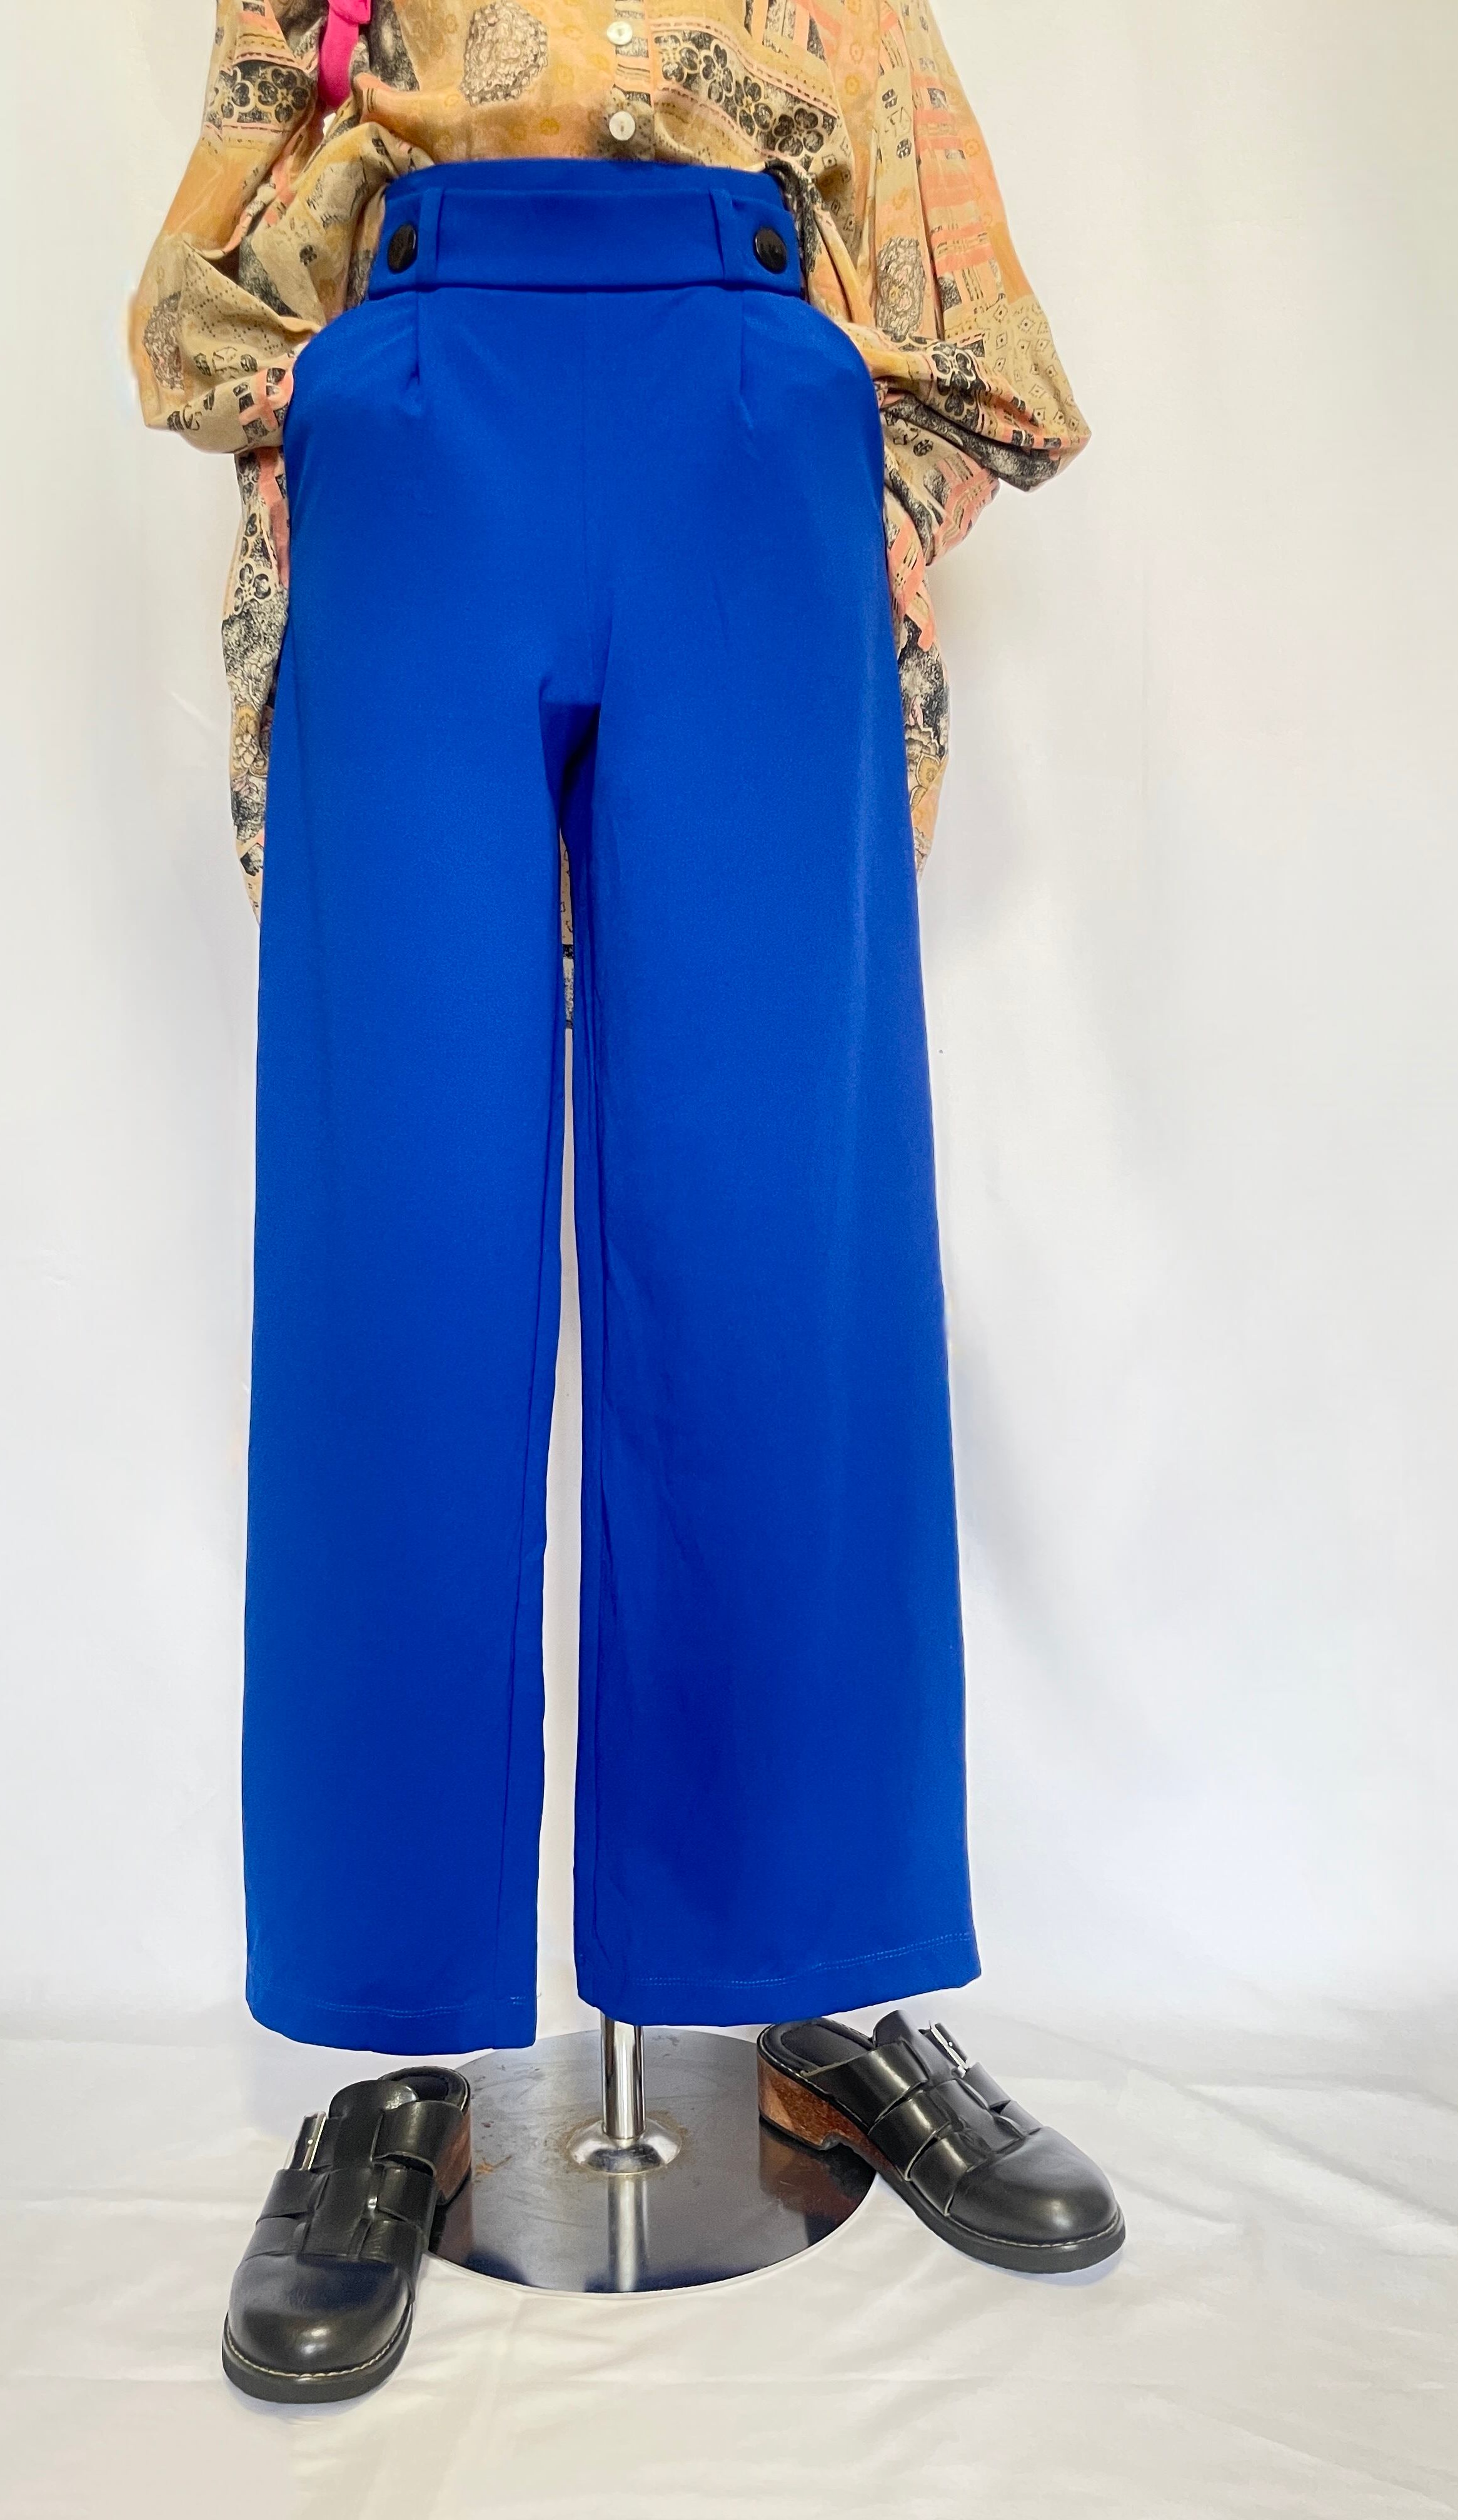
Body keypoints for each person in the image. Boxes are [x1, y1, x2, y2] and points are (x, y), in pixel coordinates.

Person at [131, 0, 1121, 2405]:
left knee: (781, 1233)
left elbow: (893, 132)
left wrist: (833, 444)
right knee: (397, 1248)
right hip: (423, 393)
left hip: (748, 401)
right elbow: (260, 144)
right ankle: (390, 2055)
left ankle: (815, 1987)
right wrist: (329, 412)